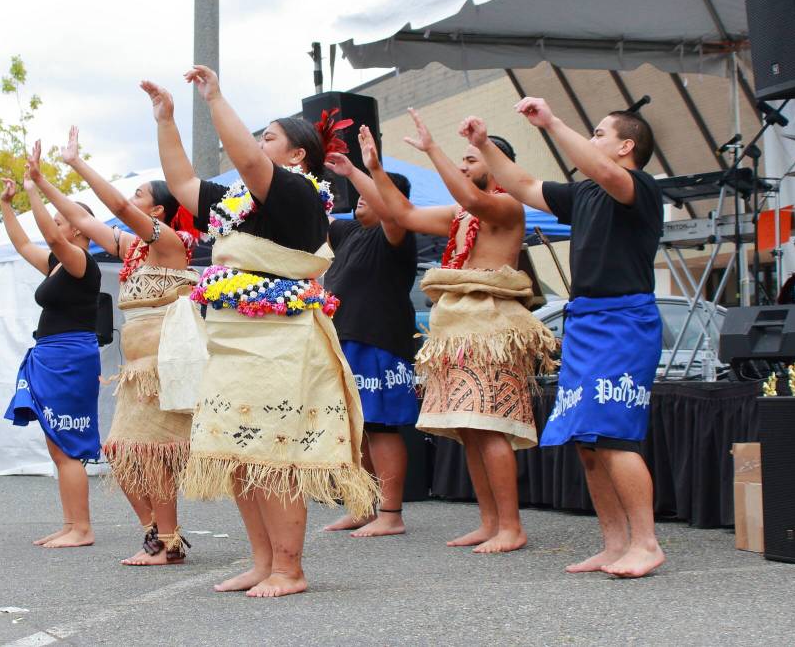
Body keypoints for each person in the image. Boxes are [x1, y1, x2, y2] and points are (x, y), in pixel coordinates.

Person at [142, 68, 378, 598]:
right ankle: (262, 561)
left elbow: (248, 158)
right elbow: (181, 183)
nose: (256, 143)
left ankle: (289, 569)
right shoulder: (238, 206)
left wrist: (216, 98)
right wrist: (166, 120)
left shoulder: (298, 196)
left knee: (273, 457)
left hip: (280, 342)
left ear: (297, 155)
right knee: (239, 455)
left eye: (269, 135)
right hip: (231, 342)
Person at [463, 98, 665, 578]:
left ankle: (646, 543)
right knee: (587, 441)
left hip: (624, 320)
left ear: (626, 146)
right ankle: (615, 544)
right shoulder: (585, 193)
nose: (591, 141)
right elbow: (526, 185)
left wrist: (551, 121)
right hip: (586, 319)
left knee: (615, 437)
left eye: (599, 133)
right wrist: (484, 145)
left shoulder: (637, 186)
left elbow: (609, 174)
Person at [365, 113, 555, 554]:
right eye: (463, 159)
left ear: (499, 162)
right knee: (469, 429)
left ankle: (512, 525)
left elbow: (471, 198)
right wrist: (372, 169)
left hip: (490, 328)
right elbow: (403, 213)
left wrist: (433, 149)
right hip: (458, 329)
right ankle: (490, 522)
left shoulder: (507, 207)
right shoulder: (460, 216)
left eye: (472, 158)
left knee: (490, 428)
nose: (465, 165)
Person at [28, 129, 202, 565]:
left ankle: (168, 541)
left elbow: (117, 208)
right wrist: (43, 183)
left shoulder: (169, 245)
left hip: (165, 366)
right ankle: (157, 534)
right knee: (121, 452)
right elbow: (83, 223)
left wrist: (75, 163)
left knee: (152, 455)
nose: (131, 200)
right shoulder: (131, 251)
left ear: (158, 210)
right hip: (137, 369)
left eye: (141, 194)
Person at [0, 168, 102, 549]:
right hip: (51, 354)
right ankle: (72, 524)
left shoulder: (81, 263)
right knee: (56, 445)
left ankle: (83, 529)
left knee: (67, 443)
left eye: (63, 219)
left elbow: (49, 236)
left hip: (70, 356)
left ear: (77, 228)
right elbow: (24, 244)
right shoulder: (58, 265)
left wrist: (33, 191)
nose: (57, 223)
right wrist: (7, 206)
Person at [321, 163, 418, 538]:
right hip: (342, 341)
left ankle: (391, 513)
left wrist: (359, 169)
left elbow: (391, 210)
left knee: (380, 427)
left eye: (376, 189)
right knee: (354, 431)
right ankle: (362, 507)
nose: (362, 193)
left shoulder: (396, 232)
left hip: (378, 342)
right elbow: (314, 213)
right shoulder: (349, 232)